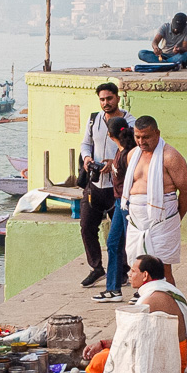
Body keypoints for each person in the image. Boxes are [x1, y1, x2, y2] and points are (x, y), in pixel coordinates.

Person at [80, 253, 187, 373]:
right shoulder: (167, 289)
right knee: (108, 353)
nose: (129, 274)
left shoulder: (150, 300)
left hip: (169, 366)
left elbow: (130, 340)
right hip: (171, 359)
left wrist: (102, 344)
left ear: (145, 275)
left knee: (101, 359)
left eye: (133, 271)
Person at [123, 115, 187, 285]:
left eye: (146, 137)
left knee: (162, 268)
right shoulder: (132, 155)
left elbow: (186, 191)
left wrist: (175, 218)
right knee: (138, 266)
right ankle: (148, 303)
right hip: (136, 219)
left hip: (163, 218)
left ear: (157, 133)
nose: (141, 141)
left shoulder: (170, 156)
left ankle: (172, 307)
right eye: (137, 137)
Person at [77, 81, 126, 286]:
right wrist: (87, 159)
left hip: (116, 187)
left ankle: (122, 270)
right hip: (94, 185)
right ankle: (96, 267)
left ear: (118, 98)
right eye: (102, 99)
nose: (106, 103)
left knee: (120, 233)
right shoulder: (93, 120)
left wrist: (112, 162)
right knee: (87, 226)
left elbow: (130, 149)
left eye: (109, 98)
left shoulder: (128, 121)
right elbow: (86, 143)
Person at [96, 119, 138, 302]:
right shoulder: (120, 152)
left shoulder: (128, 154)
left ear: (109, 135)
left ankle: (141, 289)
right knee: (113, 243)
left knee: (133, 246)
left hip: (128, 202)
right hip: (120, 202)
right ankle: (113, 289)